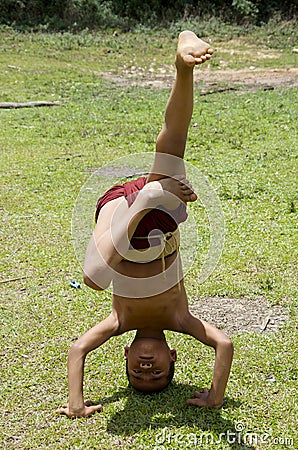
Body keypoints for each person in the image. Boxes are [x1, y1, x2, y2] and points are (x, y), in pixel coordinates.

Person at [56, 31, 234, 418]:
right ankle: (182, 68)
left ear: (126, 354)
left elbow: (77, 349)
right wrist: (214, 397)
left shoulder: (120, 322)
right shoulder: (180, 319)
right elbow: (224, 345)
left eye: (137, 375)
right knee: (171, 153)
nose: (146, 371)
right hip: (154, 225)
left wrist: (75, 404)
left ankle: (148, 198)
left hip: (118, 220)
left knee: (93, 276)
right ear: (173, 356)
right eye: (157, 376)